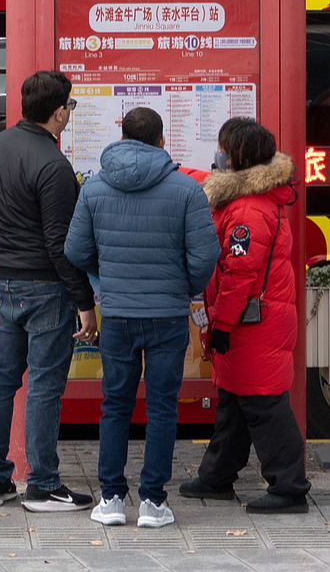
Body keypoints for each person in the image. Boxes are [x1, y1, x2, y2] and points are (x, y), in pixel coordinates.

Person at [64, 106, 217, 529]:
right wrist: (183, 286)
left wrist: (107, 274)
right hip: (168, 314)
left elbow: (75, 251)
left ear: (122, 136)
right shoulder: (187, 191)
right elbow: (205, 256)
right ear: (162, 141)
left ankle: (111, 498)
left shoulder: (94, 190)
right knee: (163, 407)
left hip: (116, 315)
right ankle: (153, 503)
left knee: (115, 406)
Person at [0, 71, 97, 513]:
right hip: (45, 287)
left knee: (0, 379)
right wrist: (84, 302)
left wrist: (5, 253)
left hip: (2, 282)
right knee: (44, 385)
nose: (70, 113)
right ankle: (42, 485)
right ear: (59, 110)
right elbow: (59, 243)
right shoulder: (53, 165)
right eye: (70, 106)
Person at [178, 119, 311, 514]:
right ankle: (217, 477)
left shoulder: (249, 210)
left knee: (266, 406)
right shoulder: (249, 195)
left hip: (253, 323)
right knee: (234, 403)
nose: (216, 155)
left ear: (236, 155)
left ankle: (290, 487)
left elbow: (239, 276)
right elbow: (200, 177)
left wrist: (221, 323)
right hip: (253, 321)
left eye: (221, 148)